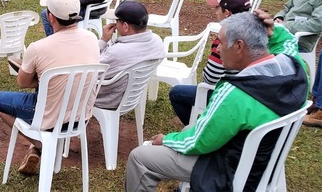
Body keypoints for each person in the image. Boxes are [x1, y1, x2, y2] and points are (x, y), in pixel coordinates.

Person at [124, 11, 308, 192]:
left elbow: (199, 142)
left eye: (220, 42)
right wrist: (273, 30)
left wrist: (166, 139)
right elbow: (289, 43)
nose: (218, 49)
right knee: (189, 128)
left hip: (232, 167)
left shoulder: (236, 93)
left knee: (141, 157)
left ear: (238, 46)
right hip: (263, 158)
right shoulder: (295, 70)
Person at [0, 0, 100, 176]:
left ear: (50, 17)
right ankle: (43, 146)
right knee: (48, 88)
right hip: (80, 116)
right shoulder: (92, 38)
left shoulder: (38, 48)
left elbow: (22, 82)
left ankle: (39, 144)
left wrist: (43, 76)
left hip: (49, 116)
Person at [169, 0, 252, 125]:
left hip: (229, 94)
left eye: (217, 8)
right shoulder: (255, 31)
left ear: (227, 13)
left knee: (177, 93)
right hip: (248, 93)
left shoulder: (225, 39)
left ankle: (197, 127)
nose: (215, 12)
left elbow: (210, 78)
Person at [273, 0, 322, 127]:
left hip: (298, 40)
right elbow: (286, 7)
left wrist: (287, 25)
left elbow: (317, 24)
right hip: (282, 32)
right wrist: (279, 17)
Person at [94, 0, 164, 109]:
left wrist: (103, 40)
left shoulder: (117, 52)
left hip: (108, 100)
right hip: (131, 97)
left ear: (126, 26)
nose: (115, 24)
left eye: (117, 21)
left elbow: (90, 73)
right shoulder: (157, 41)